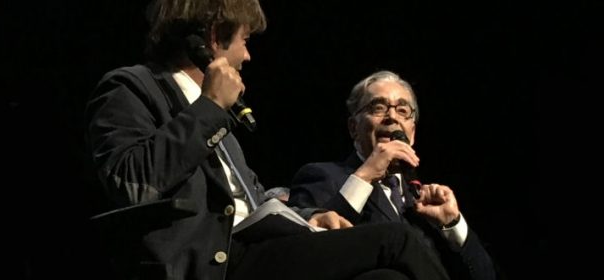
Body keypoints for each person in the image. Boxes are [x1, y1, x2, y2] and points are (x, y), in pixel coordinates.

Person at [86, 1, 452, 279]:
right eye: (244, 40)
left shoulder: (214, 115)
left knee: (384, 277)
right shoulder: (131, 87)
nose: (247, 55)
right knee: (397, 240)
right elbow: (132, 181)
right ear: (215, 36)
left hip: (259, 249)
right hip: (216, 260)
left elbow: (256, 199)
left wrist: (314, 217)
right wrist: (211, 106)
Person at [288, 70, 498, 280]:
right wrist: (365, 177)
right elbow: (309, 255)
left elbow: (485, 276)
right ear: (353, 128)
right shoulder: (321, 176)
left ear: (412, 133)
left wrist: (453, 225)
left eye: (402, 110)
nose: (392, 117)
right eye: (378, 108)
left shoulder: (423, 202)